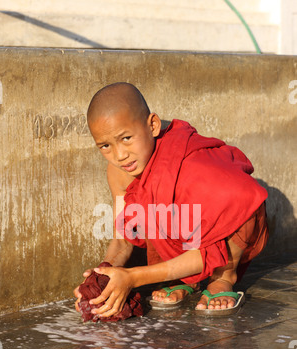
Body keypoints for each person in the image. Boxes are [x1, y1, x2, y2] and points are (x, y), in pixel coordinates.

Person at [74, 82, 268, 319]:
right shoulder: (118, 170)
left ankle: (224, 277)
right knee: (151, 203)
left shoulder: (190, 165)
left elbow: (245, 199)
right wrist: (103, 274)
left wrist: (133, 277)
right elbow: (123, 239)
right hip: (188, 236)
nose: (119, 155)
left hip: (225, 229)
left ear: (152, 125)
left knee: (242, 204)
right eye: (105, 146)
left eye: (126, 138)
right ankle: (181, 277)